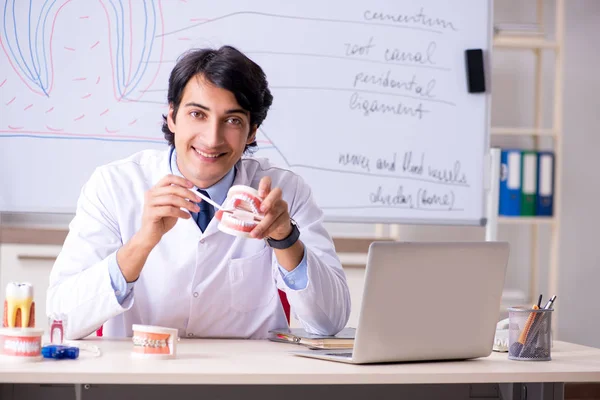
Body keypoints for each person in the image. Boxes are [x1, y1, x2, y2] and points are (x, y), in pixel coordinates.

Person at [46, 46, 351, 340]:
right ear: (172, 116)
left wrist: (285, 238)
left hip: (248, 382)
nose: (212, 138)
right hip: (139, 377)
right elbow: (62, 319)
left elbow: (330, 322)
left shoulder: (284, 193)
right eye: (197, 114)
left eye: (232, 120)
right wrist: (142, 242)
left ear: (253, 131)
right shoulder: (114, 186)